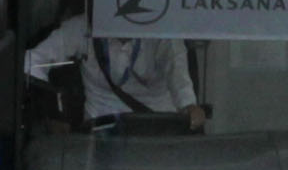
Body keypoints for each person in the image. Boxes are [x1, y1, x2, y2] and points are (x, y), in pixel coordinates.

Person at [22, 13, 205, 130]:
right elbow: (31, 62)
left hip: (156, 131)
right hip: (99, 136)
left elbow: (179, 76)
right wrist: (53, 111)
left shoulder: (163, 33)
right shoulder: (82, 28)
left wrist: (189, 107)